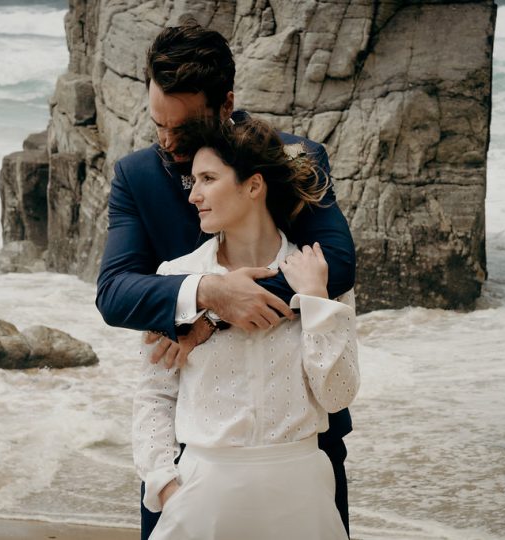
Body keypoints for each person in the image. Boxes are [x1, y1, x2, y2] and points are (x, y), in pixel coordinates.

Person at [95, 19, 356, 539]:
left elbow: (336, 263)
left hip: (299, 446)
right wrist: (206, 292)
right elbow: (115, 292)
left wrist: (214, 317)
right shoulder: (137, 176)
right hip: (186, 456)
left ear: (225, 102)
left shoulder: (291, 159)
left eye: (182, 129)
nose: (168, 144)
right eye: (157, 125)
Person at [132, 117, 359, 539]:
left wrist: (315, 300)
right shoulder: (176, 278)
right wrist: (167, 487)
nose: (194, 195)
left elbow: (338, 394)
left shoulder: (316, 274)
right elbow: (153, 395)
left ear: (253, 186)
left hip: (302, 491)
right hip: (204, 492)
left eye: (208, 179)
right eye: (193, 181)